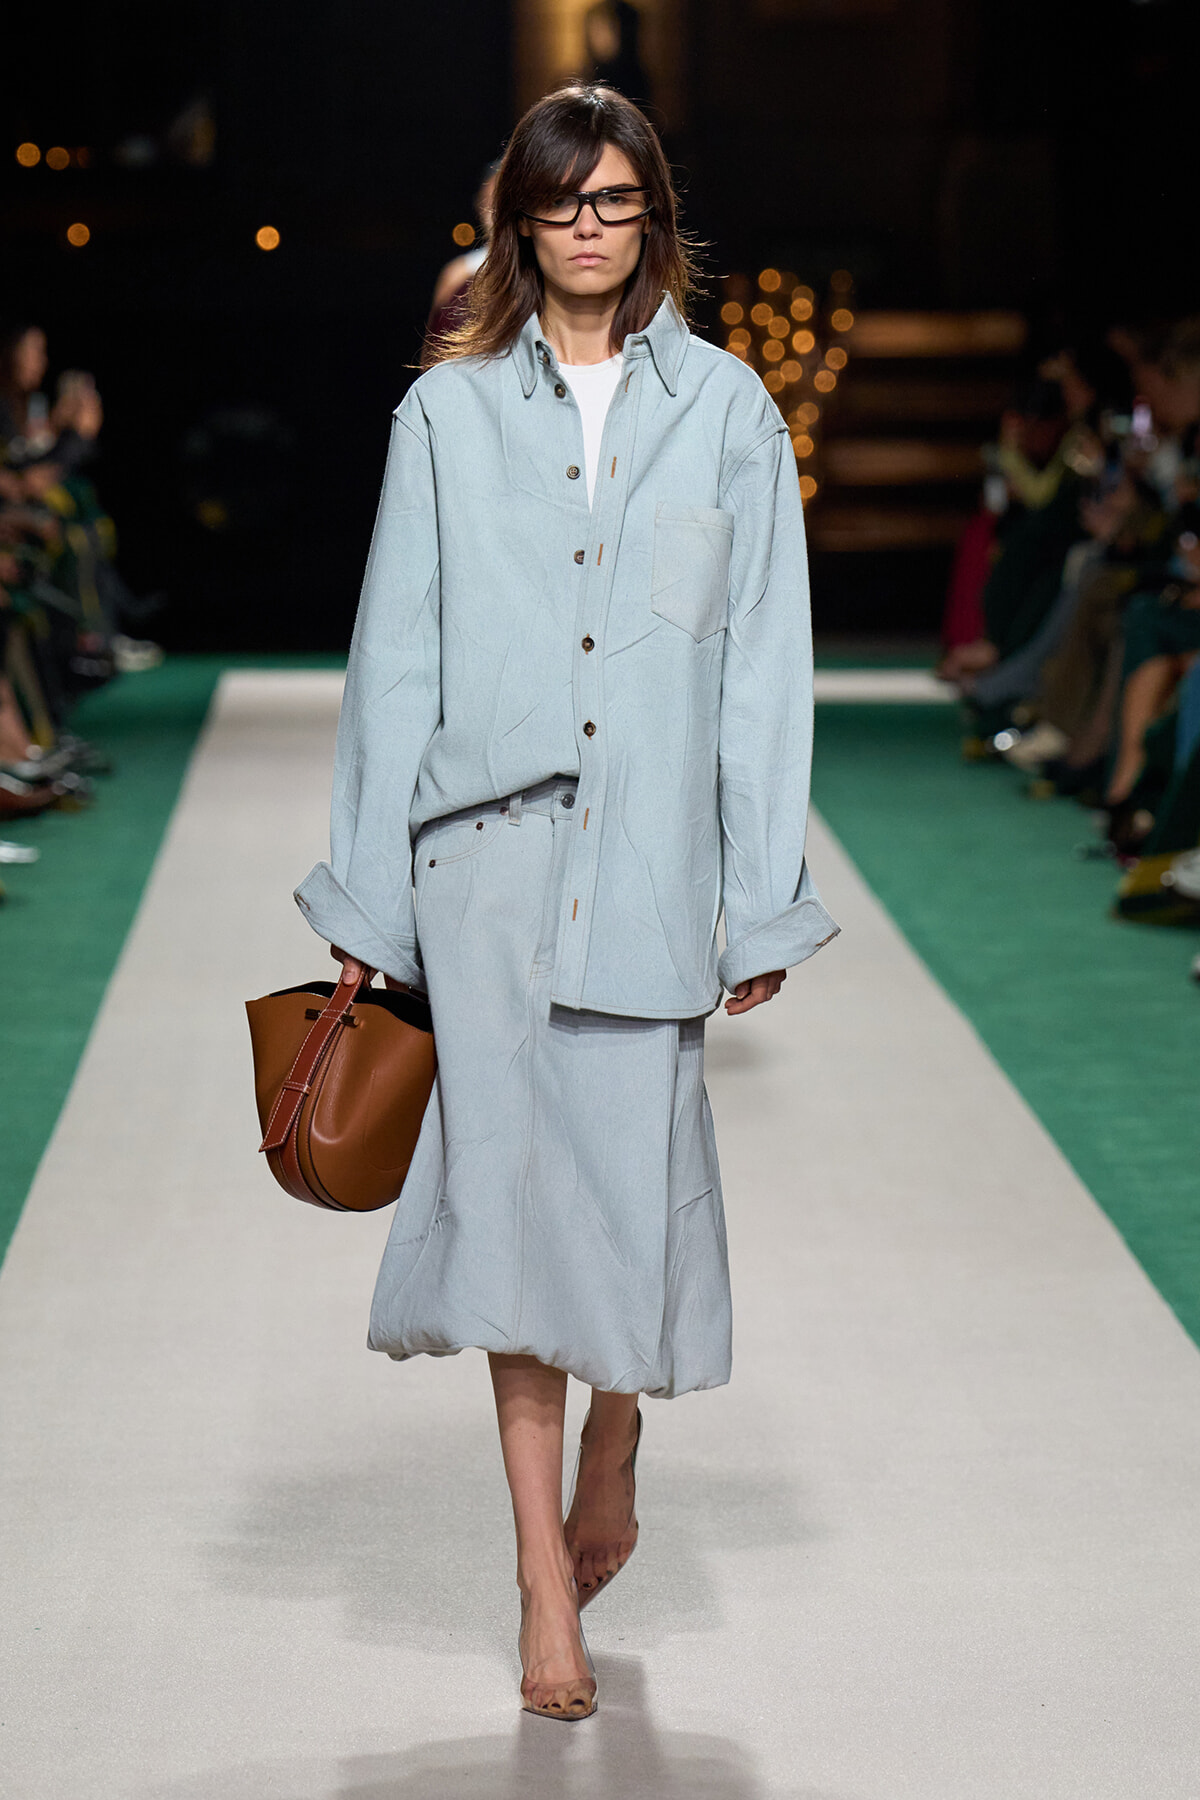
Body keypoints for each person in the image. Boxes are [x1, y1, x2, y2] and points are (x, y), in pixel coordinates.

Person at [295, 82, 837, 1722]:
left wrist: (763, 896)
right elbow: (395, 653)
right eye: (561, 201)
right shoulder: (449, 418)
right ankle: (541, 1572)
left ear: (651, 214)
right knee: (513, 1218)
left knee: (637, 1189)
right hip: (486, 868)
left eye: (615, 200)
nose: (589, 227)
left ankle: (620, 1428)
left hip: (652, 863)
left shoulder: (729, 412)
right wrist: (369, 894)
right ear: (519, 221)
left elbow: (761, 669)